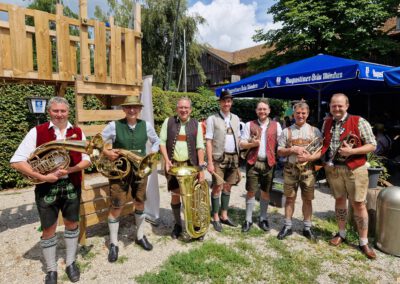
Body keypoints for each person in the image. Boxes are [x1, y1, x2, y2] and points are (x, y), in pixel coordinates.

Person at [10, 97, 91, 284]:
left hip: (72, 184)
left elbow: (87, 158)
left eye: (63, 111)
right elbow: (16, 161)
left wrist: (71, 169)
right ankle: (51, 270)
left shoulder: (77, 131)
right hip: (46, 186)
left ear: (68, 112)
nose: (59, 115)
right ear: (49, 112)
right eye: (56, 111)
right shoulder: (36, 132)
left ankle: (71, 263)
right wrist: (44, 177)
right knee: (49, 229)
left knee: (71, 224)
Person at [101, 95, 160, 262]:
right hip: (119, 171)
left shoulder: (146, 125)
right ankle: (113, 243)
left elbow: (156, 141)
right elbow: (98, 142)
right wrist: (107, 152)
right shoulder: (114, 125)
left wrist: (152, 153)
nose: (132, 110)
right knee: (116, 205)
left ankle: (140, 235)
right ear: (124, 109)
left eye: (135, 107)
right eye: (129, 107)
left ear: (140, 109)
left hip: (140, 170)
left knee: (140, 201)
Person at [321, 93, 377, 259]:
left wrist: (352, 151)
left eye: (340, 105)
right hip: (334, 169)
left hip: (355, 169)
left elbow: (372, 145)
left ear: (347, 106)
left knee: (358, 204)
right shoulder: (327, 122)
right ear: (330, 106)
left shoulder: (359, 121)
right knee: (339, 200)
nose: (336, 109)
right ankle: (342, 233)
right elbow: (325, 143)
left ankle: (363, 241)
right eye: (333, 106)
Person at [159, 97, 206, 240]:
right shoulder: (168, 122)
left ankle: (195, 225)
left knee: (192, 198)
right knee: (175, 196)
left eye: (186, 108)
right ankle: (178, 225)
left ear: (190, 109)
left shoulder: (196, 124)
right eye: (181, 107)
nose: (183, 110)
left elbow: (200, 147)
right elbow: (162, 143)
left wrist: (201, 168)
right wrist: (167, 161)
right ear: (177, 109)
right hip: (174, 166)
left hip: (190, 167)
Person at [276, 102, 322, 241]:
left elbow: (320, 152)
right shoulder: (286, 131)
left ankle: (307, 227)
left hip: (308, 170)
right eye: (298, 113)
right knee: (290, 198)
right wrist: (292, 149)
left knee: (307, 199)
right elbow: (279, 151)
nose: (300, 115)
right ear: (293, 114)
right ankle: (287, 225)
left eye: (303, 113)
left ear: (307, 114)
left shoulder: (315, 131)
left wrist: (310, 157)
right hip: (290, 169)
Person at [239, 99, 282, 233]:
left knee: (266, 192)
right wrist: (252, 144)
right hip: (253, 162)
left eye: (264, 109)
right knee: (251, 191)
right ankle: (248, 219)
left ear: (269, 111)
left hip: (269, 163)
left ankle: (263, 218)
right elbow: (242, 143)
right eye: (260, 109)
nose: (262, 111)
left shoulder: (276, 125)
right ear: (256, 111)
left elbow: (281, 144)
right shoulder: (249, 124)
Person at [205, 90, 241, 232]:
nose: (227, 103)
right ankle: (215, 217)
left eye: (229, 101)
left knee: (228, 186)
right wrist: (209, 162)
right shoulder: (212, 119)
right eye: (224, 101)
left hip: (233, 157)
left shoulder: (236, 118)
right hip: (218, 157)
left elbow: (238, 138)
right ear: (220, 102)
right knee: (217, 187)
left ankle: (224, 215)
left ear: (231, 103)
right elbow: (208, 141)